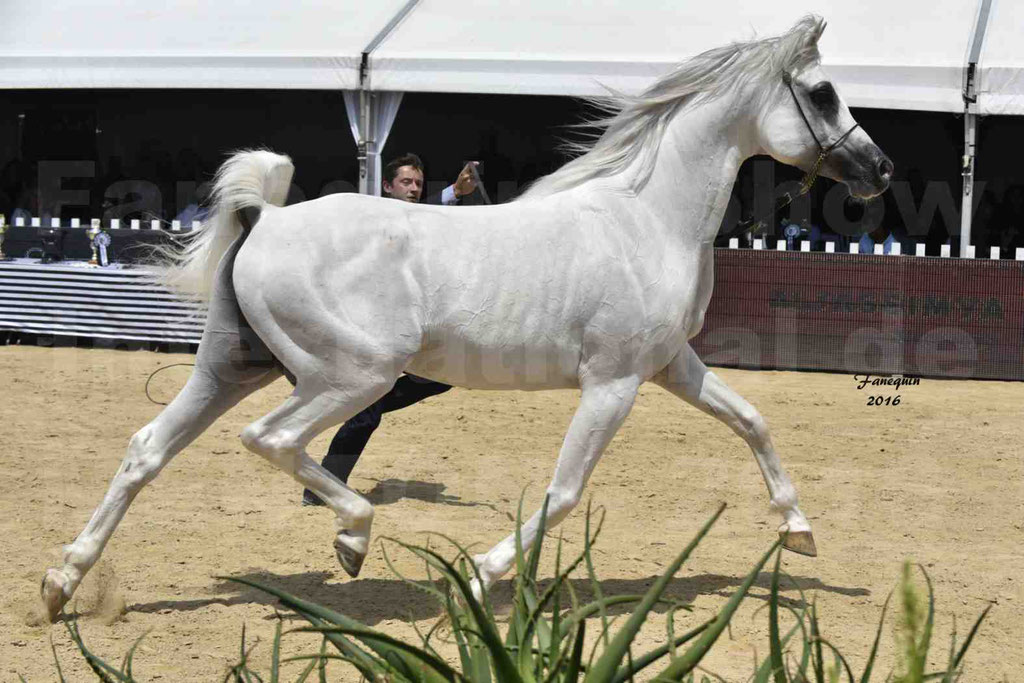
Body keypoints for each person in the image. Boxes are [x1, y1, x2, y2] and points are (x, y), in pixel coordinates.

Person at [302, 153, 478, 506]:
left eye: (417, 184)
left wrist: (456, 194)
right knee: (367, 415)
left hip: (400, 332)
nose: (413, 189)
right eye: (406, 183)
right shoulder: (375, 218)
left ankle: (360, 405)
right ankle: (321, 487)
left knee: (440, 378)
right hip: (365, 333)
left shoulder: (416, 221)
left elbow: (429, 221)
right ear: (387, 187)